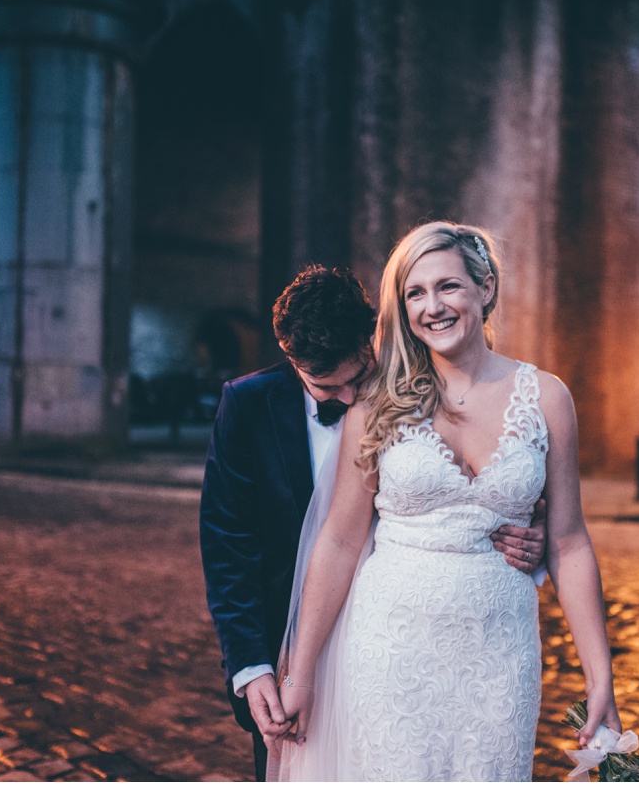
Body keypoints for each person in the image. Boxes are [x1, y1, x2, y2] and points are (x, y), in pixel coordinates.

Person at [275, 222, 624, 781]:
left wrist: (600, 676)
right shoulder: (376, 402)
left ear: (485, 289)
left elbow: (568, 541)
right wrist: (302, 675)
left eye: (448, 287)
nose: (432, 306)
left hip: (501, 653)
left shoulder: (549, 398)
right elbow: (339, 540)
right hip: (390, 648)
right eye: (415, 293)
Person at [198, 264, 546, 781]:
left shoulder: (430, 388)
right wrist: (254, 669)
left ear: (374, 337)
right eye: (325, 386)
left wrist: (529, 537)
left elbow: (494, 480)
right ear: (292, 359)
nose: (349, 399)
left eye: (358, 378)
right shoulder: (247, 406)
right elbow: (229, 546)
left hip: (404, 651)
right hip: (293, 656)